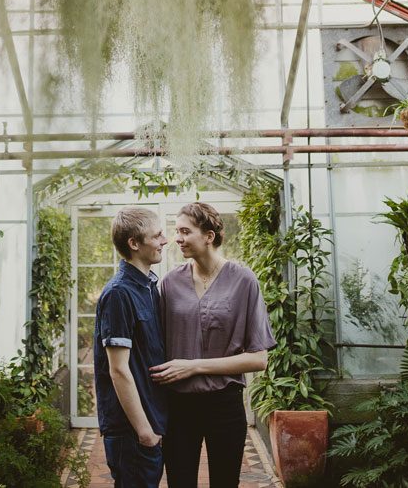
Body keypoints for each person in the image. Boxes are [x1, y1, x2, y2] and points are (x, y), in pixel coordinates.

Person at [151, 202, 276, 488]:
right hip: (178, 405)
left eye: (185, 231)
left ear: (209, 236)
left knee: (225, 481)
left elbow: (258, 359)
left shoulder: (244, 280)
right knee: (180, 482)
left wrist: (193, 366)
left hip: (225, 404)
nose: (177, 238)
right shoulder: (170, 283)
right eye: (177, 231)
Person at [93, 207, 169, 488]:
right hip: (132, 431)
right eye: (157, 235)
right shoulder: (119, 293)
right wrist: (144, 430)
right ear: (134, 244)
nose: (165, 240)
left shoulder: (148, 287)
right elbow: (118, 370)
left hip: (150, 421)